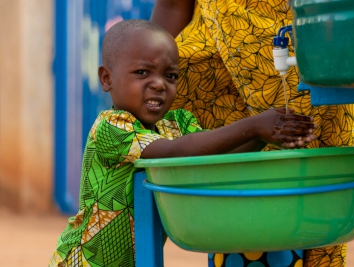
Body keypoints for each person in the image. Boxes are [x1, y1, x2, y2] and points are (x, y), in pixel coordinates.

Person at [151, 1, 354, 267]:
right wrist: (134, 112)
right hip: (229, 90)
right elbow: (172, 6)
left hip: (328, 72)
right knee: (245, 223)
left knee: (322, 228)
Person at [48, 19, 317, 267]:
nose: (159, 85)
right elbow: (169, 152)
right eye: (142, 72)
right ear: (107, 79)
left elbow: (215, 159)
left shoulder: (178, 123)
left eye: (170, 76)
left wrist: (263, 137)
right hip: (82, 261)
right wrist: (253, 125)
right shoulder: (111, 126)